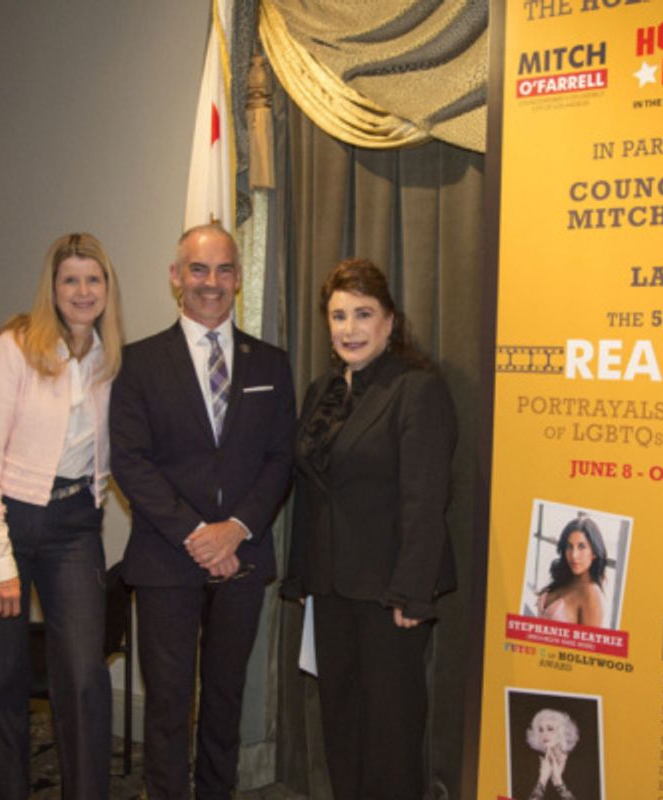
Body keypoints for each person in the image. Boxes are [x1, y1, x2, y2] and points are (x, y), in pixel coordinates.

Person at [109, 223, 295, 799]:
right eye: (198, 269)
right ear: (175, 277)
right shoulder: (138, 362)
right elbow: (130, 462)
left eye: (223, 270)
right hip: (167, 559)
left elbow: (281, 458)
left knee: (224, 699)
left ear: (239, 278)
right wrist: (197, 534)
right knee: (167, 703)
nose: (210, 283)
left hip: (242, 557)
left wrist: (235, 530)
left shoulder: (270, 363)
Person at [0, 232, 123, 799]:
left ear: (106, 288)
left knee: (83, 676)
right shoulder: (13, 348)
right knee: (2, 680)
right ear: (51, 287)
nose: (82, 290)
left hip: (74, 527)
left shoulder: (109, 357)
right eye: (69, 279)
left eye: (92, 279)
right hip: (2, 520)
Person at [283, 258, 457, 799]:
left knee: (391, 732)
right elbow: (314, 491)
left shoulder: (416, 390)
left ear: (390, 321)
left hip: (391, 595)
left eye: (363, 314)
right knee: (340, 721)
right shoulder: (322, 391)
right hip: (331, 587)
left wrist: (412, 591)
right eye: (338, 316)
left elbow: (426, 499)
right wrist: (305, 578)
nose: (349, 329)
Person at [536, 516, 606, 627]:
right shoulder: (565, 578)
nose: (573, 555)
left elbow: (588, 644)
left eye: (581, 546)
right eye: (569, 546)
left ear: (594, 553)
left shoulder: (591, 594)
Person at [525, 709, 579, 800]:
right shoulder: (532, 763)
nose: (544, 734)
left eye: (550, 729)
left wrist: (558, 782)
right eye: (540, 730)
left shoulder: (577, 765)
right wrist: (542, 780)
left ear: (562, 732)